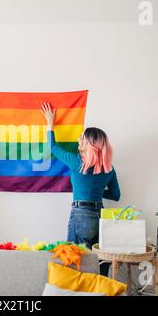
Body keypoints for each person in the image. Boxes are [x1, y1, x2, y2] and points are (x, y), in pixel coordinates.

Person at [40, 102, 120, 250]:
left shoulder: (77, 163)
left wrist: (50, 123)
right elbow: (116, 195)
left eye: (81, 138)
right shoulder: (109, 169)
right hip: (101, 216)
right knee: (99, 258)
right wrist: (95, 190)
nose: (78, 140)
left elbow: (52, 147)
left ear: (89, 144)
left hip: (81, 214)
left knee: (75, 257)